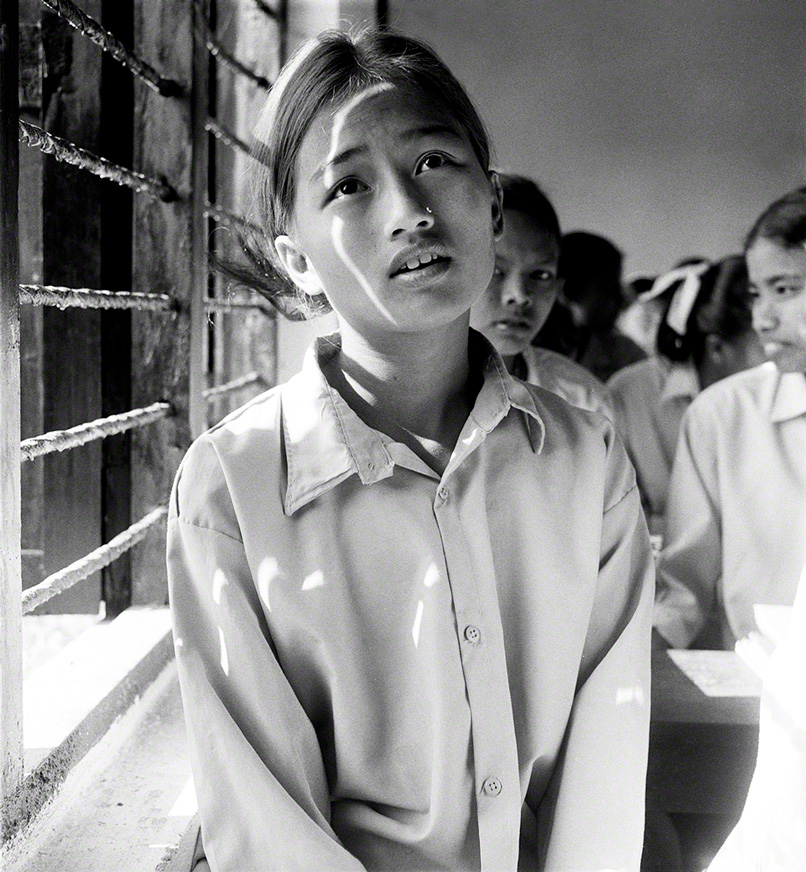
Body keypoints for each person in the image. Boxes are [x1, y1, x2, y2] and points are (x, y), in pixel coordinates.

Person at [167, 27, 654, 872]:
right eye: (349, 185)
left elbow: (605, 769)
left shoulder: (586, 459)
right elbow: (269, 826)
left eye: (434, 161)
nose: (410, 211)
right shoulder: (233, 488)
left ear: (492, 207)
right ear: (298, 261)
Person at [654, 187, 806, 651]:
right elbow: (681, 590)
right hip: (758, 684)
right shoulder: (723, 416)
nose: (762, 318)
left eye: (785, 290)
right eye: (756, 293)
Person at [608, 256, 764, 535]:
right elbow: (620, 521)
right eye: (764, 349)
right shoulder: (629, 395)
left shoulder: (778, 395)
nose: (774, 364)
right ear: (717, 348)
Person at [469, 172, 614, 418]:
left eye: (540, 275)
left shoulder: (583, 403)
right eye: (495, 269)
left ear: (558, 286)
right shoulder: (401, 398)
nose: (520, 295)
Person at [549, 230, 647, 383]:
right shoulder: (519, 354)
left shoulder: (625, 355)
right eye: (608, 289)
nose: (621, 300)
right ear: (569, 291)